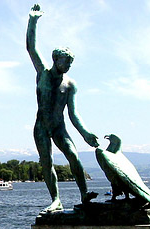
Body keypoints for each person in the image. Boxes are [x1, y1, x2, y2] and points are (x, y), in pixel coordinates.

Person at [26, 4, 99, 213]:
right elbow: (31, 48)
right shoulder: (43, 73)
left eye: (70, 63)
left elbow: (73, 114)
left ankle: (84, 194)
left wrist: (85, 133)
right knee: (46, 162)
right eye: (65, 62)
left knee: (73, 156)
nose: (67, 66)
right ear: (55, 59)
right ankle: (56, 200)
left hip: (59, 127)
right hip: (41, 126)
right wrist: (33, 21)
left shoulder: (70, 85)